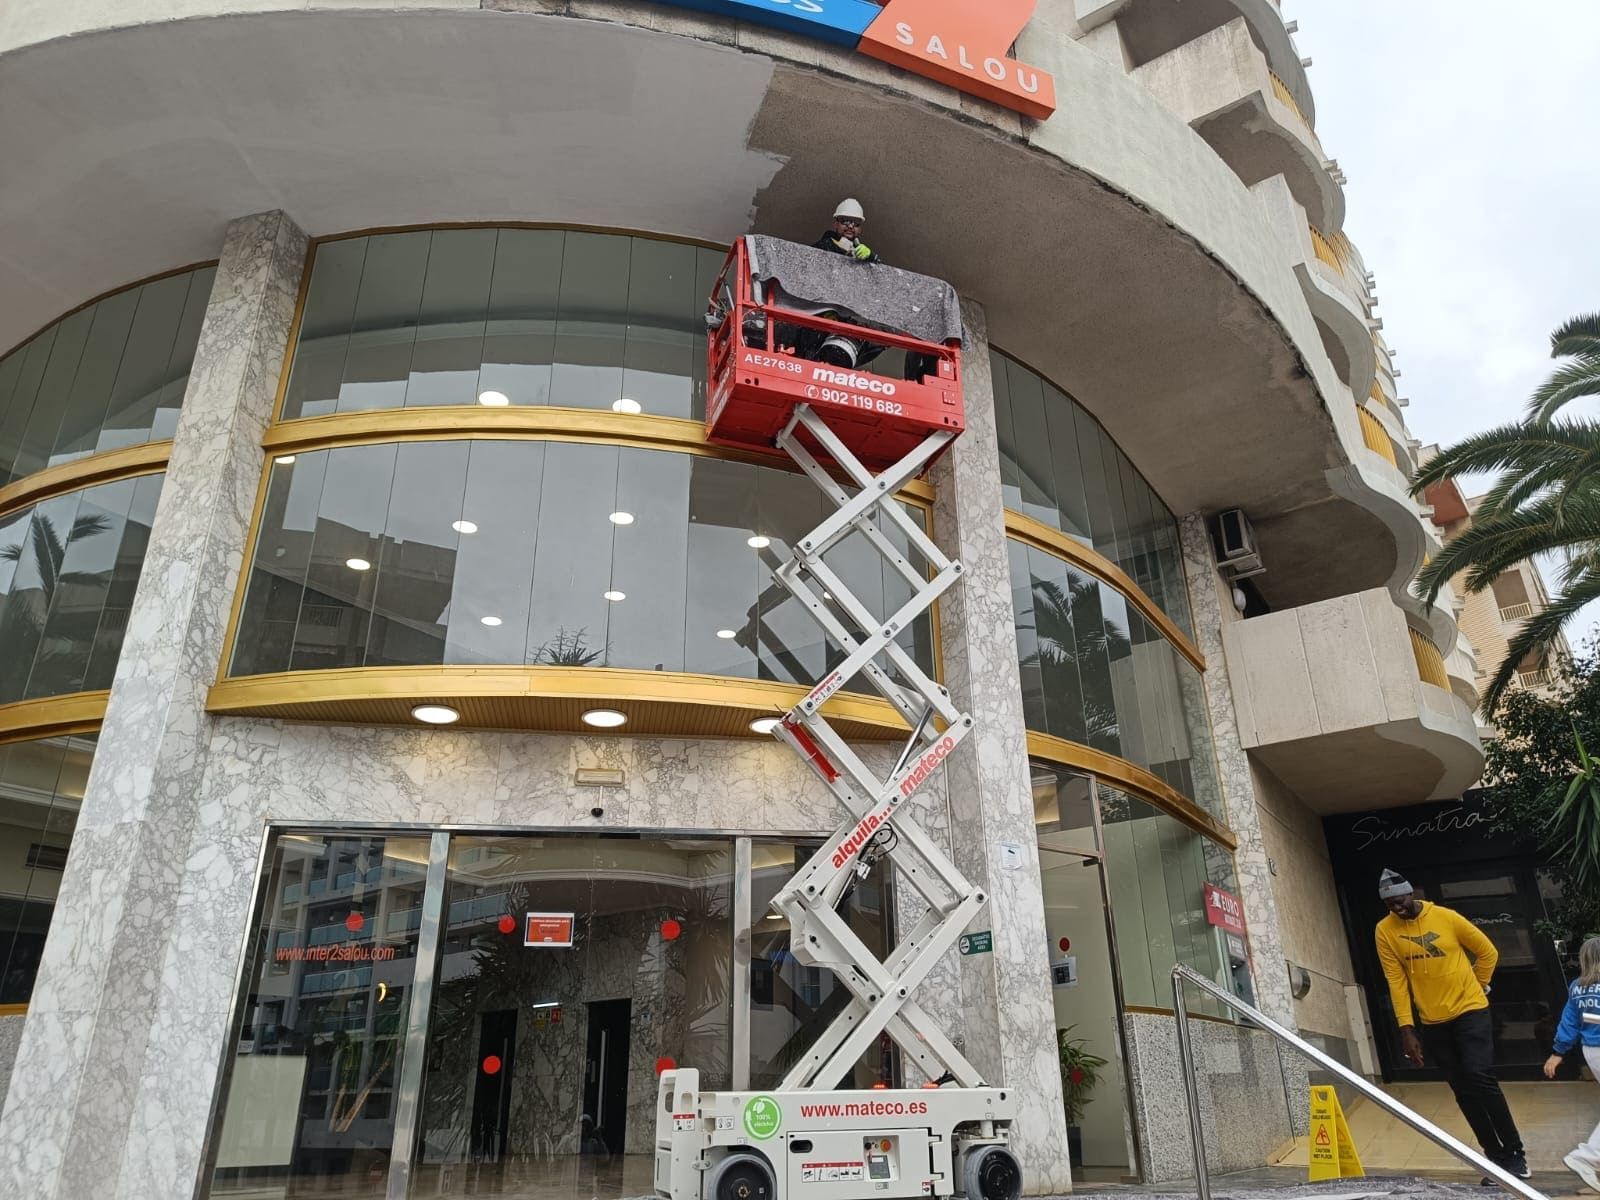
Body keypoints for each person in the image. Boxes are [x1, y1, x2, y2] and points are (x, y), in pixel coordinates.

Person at [1374, 867, 1529, 1180]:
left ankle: (1516, 1155)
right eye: (1390, 905)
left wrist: (1479, 984)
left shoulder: (1446, 917)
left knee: (1480, 1076)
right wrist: (1407, 1028)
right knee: (1462, 1090)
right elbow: (1396, 980)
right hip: (1433, 1021)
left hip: (1470, 1009)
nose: (1397, 908)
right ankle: (1494, 1158)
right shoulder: (1385, 930)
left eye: (1400, 900)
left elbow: (1488, 951)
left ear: (1411, 893)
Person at [1546, 936, 1600, 1192]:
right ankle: (1586, 1156)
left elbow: (1573, 1021)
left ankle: (1588, 1157)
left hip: (1592, 1052)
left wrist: (1558, 1052)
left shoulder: (1577, 987)